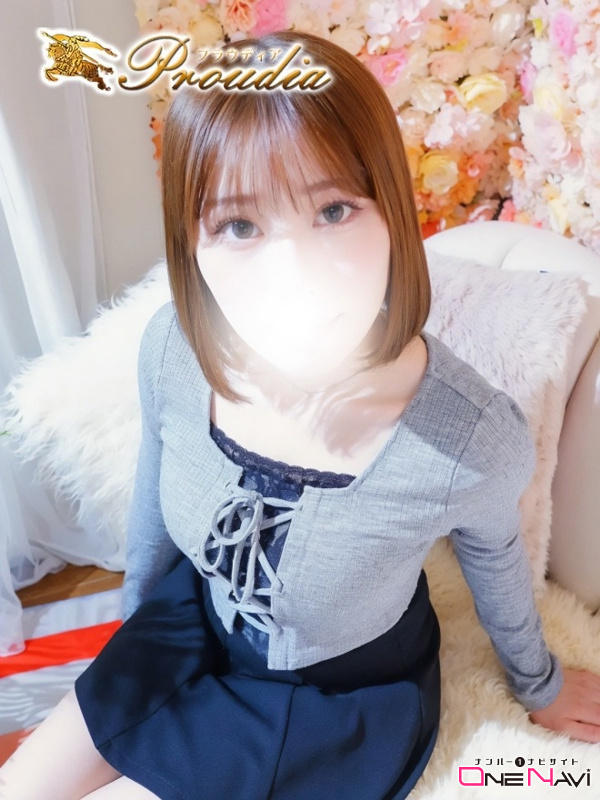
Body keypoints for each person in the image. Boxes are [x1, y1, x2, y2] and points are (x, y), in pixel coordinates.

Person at [1, 28, 599, 800]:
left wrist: (540, 683)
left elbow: (498, 564)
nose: (294, 274)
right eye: (239, 226)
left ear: (392, 214)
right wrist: (136, 646)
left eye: (334, 209)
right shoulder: (173, 351)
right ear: (192, 245)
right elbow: (153, 505)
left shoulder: (468, 438)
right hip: (189, 626)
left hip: (334, 703)